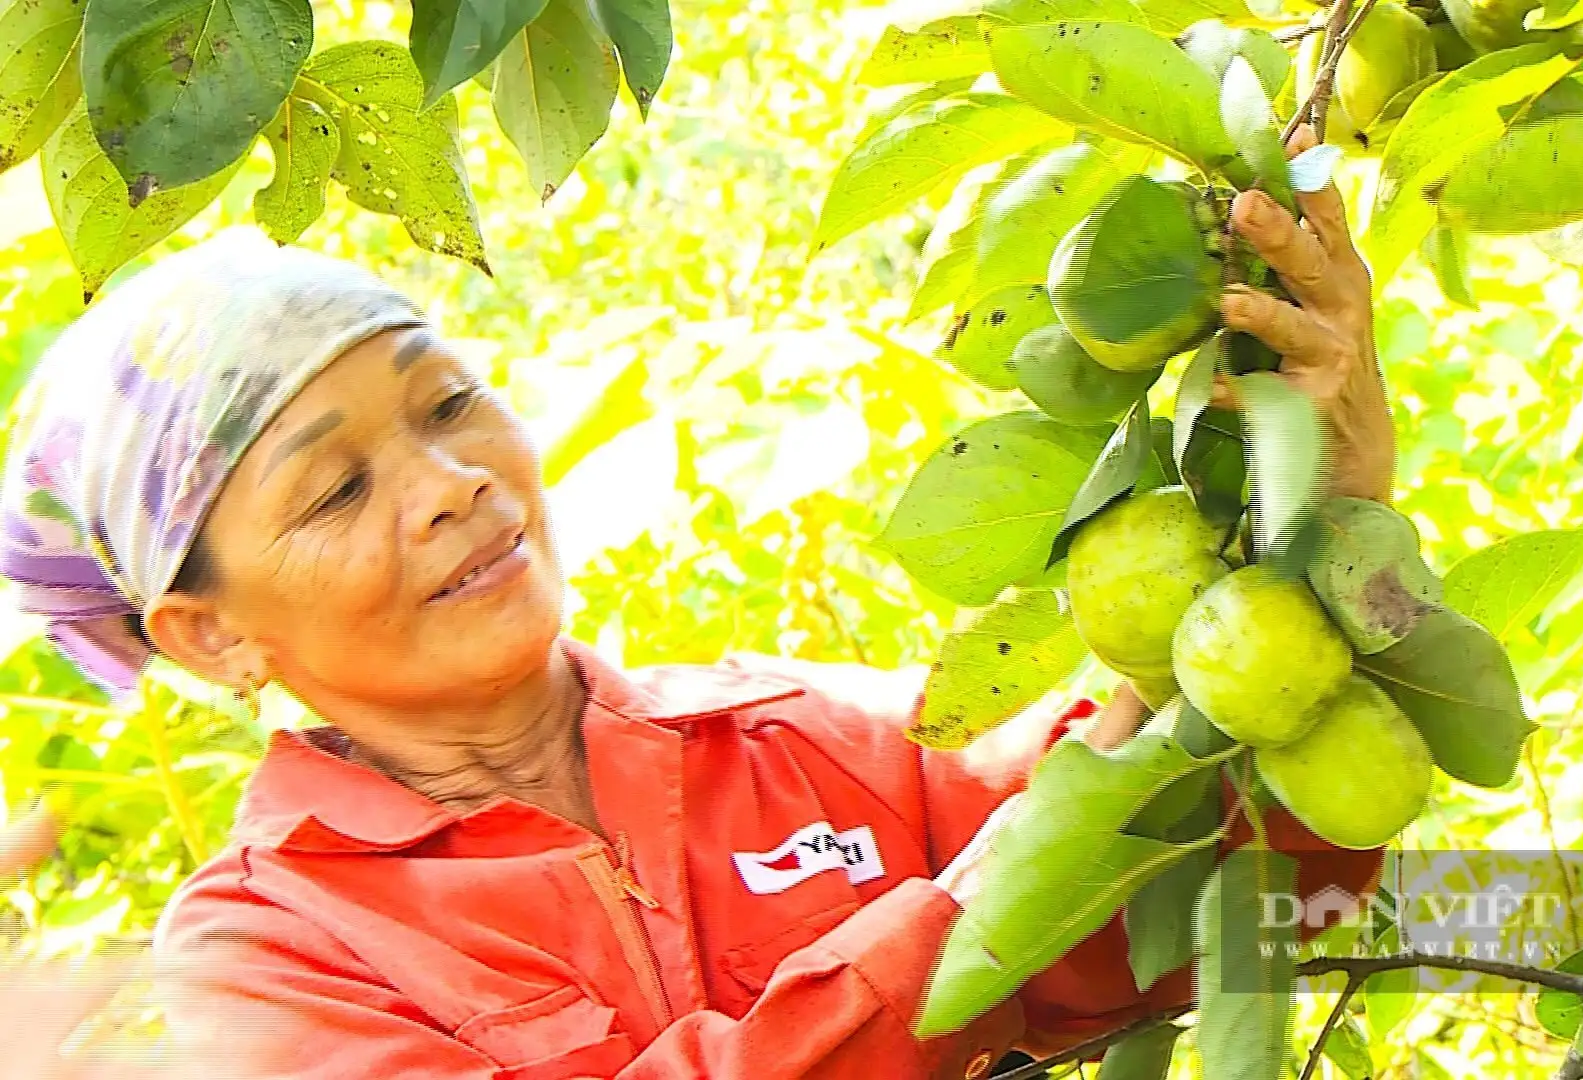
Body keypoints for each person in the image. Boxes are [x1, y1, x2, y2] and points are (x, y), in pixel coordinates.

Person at [0, 129, 1396, 1078]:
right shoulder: (264, 955)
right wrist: (962, 921)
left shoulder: (818, 741)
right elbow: (1021, 881)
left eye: (448, 403)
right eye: (333, 492)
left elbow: (1254, 897)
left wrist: (1326, 534)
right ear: (214, 632)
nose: (448, 487)